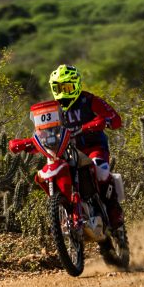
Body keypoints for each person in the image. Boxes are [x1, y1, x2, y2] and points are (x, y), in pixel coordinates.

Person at [48, 64, 124, 230]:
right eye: (59, 88)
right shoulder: (52, 110)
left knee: (101, 170)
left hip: (93, 147)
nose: (63, 93)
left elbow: (116, 119)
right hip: (67, 152)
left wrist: (103, 122)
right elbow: (43, 130)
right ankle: (66, 212)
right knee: (56, 172)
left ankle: (114, 211)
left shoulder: (89, 100)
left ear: (76, 85)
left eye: (67, 88)